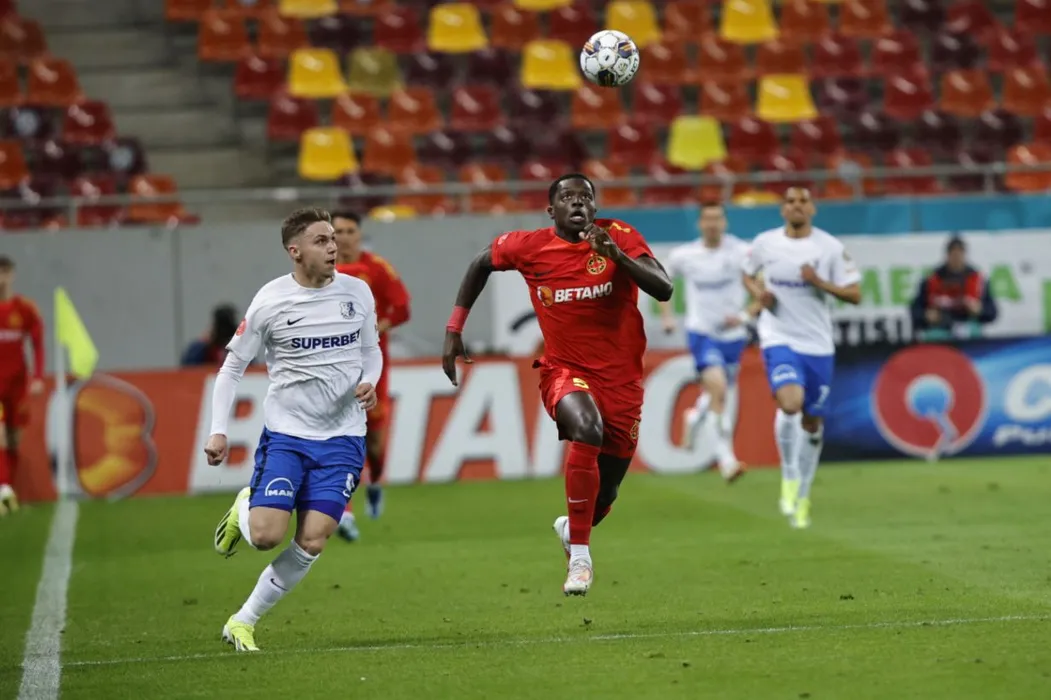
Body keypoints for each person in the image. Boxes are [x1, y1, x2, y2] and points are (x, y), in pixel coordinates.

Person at [441, 174, 673, 596]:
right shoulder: (529, 247)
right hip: (564, 370)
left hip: (622, 381)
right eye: (567, 197)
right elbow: (480, 263)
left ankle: (572, 528)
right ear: (552, 210)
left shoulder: (619, 235)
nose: (577, 203)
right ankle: (580, 558)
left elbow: (664, 289)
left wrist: (616, 256)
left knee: (607, 491)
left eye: (585, 197)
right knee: (587, 428)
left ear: (595, 207)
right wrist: (455, 327)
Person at [204, 208, 382, 652]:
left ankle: (243, 621)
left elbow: (371, 350)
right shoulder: (270, 301)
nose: (333, 247)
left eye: (333, 239)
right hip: (288, 436)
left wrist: (370, 381)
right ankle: (245, 506)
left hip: (344, 437)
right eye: (322, 240)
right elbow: (231, 369)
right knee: (266, 537)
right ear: (295, 251)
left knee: (313, 540)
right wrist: (218, 430)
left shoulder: (357, 292)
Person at [741, 188, 861, 529]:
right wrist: (759, 294)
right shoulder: (765, 243)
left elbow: (855, 294)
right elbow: (747, 273)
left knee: (811, 422)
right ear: (783, 209)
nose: (796, 206)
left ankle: (803, 495)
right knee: (790, 403)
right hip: (778, 337)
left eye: (803, 201)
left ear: (812, 209)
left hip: (817, 344)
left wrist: (818, 281)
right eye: (790, 201)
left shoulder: (830, 247)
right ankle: (789, 473)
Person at [330, 210, 412, 540]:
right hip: (332, 365)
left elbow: (402, 309)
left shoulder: (376, 268)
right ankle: (344, 512)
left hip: (372, 366)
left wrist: (376, 329)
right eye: (338, 231)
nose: (344, 237)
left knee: (374, 443)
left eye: (350, 230)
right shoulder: (320, 271)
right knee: (340, 436)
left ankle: (375, 482)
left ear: (359, 234)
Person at [659, 202, 753, 481]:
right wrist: (667, 316)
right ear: (700, 224)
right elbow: (661, 281)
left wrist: (745, 315)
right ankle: (727, 461)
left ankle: (695, 416)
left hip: (733, 336)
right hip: (702, 333)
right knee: (719, 388)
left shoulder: (741, 252)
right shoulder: (685, 255)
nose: (712, 224)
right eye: (707, 219)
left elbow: (762, 285)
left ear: (725, 222)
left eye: (717, 218)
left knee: (717, 395)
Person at [0, 255, 45, 515]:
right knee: (0, 437)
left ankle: (8, 494)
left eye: (5, 272)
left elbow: (37, 343)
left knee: (14, 440)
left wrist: (37, 377)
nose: (1, 278)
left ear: (12, 275)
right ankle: (4, 490)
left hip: (17, 387)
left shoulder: (25, 309)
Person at [909, 235, 997, 340]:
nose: (956, 257)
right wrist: (925, 315)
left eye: (960, 253)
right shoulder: (932, 279)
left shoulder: (977, 280)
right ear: (947, 255)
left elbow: (992, 312)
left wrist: (980, 310)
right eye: (953, 253)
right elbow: (915, 309)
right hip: (940, 327)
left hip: (968, 326)